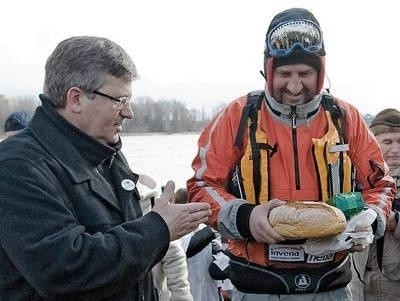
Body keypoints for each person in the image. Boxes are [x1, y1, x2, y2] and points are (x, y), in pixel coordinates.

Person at [187, 7, 396, 301]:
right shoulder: (237, 117)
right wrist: (246, 216)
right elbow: (200, 186)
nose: (295, 86)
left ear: (321, 72)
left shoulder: (346, 118)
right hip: (256, 286)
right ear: (268, 70)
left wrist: (371, 219)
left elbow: (381, 186)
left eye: (305, 73)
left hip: (331, 285)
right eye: (284, 73)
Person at [0, 36, 211, 300]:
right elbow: (64, 270)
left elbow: (132, 272)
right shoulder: (16, 166)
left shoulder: (107, 154)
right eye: (119, 100)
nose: (129, 112)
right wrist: (158, 228)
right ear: (76, 99)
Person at [350, 108, 400, 301]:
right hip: (357, 283)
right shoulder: (352, 178)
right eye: (387, 142)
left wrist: (393, 220)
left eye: (399, 142)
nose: (395, 149)